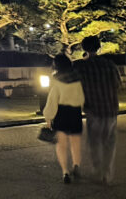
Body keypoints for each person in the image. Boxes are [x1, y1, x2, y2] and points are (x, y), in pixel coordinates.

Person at [75, 36, 120, 184]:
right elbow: (118, 84)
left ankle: (98, 170)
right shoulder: (110, 64)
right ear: (99, 47)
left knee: (95, 142)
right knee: (109, 143)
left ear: (84, 49)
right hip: (111, 108)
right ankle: (106, 173)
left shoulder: (80, 66)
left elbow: (75, 86)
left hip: (93, 109)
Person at [44, 54, 85, 184]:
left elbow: (52, 100)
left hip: (61, 112)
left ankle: (65, 172)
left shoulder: (56, 80)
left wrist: (48, 117)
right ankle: (76, 165)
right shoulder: (78, 78)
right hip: (75, 111)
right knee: (75, 142)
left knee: (61, 144)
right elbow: (82, 97)